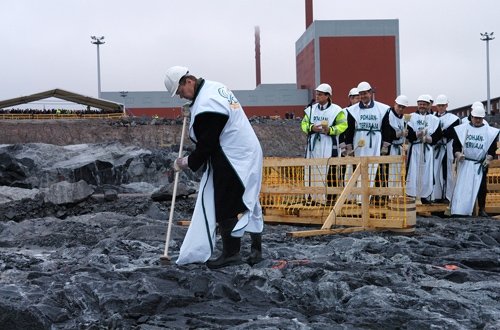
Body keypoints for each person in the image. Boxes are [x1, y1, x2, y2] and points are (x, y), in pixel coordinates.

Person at [164, 65, 264, 268]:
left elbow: (207, 144)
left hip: (233, 155)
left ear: (189, 82)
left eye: (181, 92)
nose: (182, 97)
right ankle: (256, 252)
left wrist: (184, 162)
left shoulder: (208, 104)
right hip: (245, 149)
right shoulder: (213, 88)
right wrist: (192, 109)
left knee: (225, 202)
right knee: (250, 199)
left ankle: (231, 255)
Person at [343, 81, 392, 202]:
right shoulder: (353, 110)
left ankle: (365, 199)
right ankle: (354, 197)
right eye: (361, 94)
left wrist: (385, 144)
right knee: (356, 169)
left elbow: (386, 127)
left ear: (370, 93)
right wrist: (348, 145)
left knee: (372, 169)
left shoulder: (383, 108)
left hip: (374, 141)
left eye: (365, 93)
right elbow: (349, 128)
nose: (363, 96)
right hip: (359, 142)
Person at [301, 83, 347, 204]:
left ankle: (329, 198)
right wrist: (311, 128)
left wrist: (331, 130)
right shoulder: (311, 109)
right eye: (317, 94)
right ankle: (311, 197)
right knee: (312, 168)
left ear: (327, 96)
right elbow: (304, 124)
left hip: (328, 142)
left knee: (328, 168)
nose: (317, 96)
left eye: (320, 94)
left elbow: (343, 125)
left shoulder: (337, 110)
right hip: (314, 144)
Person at [451, 105, 499, 217]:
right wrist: (458, 155)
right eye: (475, 117)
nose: (477, 120)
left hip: (480, 163)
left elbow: (492, 148)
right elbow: (456, 146)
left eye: (480, 118)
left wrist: (489, 158)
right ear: (471, 117)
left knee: (482, 187)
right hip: (465, 163)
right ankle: (462, 209)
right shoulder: (462, 130)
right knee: (464, 187)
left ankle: (481, 208)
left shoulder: (489, 132)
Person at [406, 95, 442, 204]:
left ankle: (425, 195)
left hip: (427, 149)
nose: (421, 106)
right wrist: (417, 134)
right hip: (415, 148)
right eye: (420, 104)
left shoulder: (435, 119)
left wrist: (429, 139)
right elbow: (409, 134)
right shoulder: (411, 117)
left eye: (424, 104)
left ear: (428, 105)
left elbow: (438, 135)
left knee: (426, 172)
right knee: (414, 171)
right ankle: (413, 194)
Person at [431, 95, 460, 203]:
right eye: (439, 105)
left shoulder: (453, 119)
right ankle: (436, 195)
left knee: (447, 171)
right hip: (436, 148)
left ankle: (448, 196)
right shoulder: (432, 117)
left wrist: (441, 132)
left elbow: (452, 133)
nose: (441, 107)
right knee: (435, 171)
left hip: (447, 147)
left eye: (442, 105)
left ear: (446, 105)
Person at [382, 95, 409, 188]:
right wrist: (399, 133)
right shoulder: (389, 114)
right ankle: (389, 193)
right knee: (389, 171)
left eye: (403, 107)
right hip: (390, 147)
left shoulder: (403, 118)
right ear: (395, 104)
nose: (400, 109)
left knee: (397, 172)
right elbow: (386, 132)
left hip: (399, 148)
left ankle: (396, 192)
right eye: (399, 106)